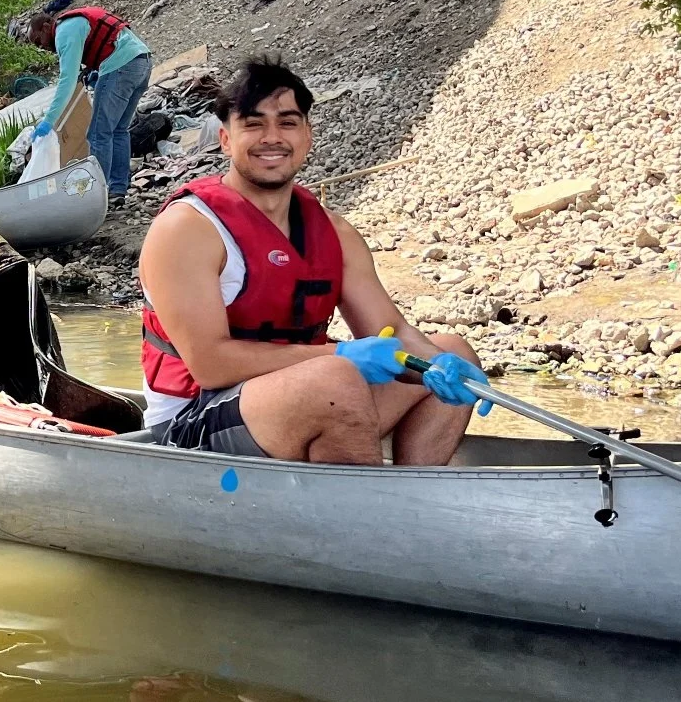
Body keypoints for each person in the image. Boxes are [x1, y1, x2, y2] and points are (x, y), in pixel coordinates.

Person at [136, 56, 490, 465]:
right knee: (334, 380)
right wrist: (337, 357)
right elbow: (210, 365)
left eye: (287, 122)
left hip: (302, 393)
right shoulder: (187, 229)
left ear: (307, 135)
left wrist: (440, 365)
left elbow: (394, 330)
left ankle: (412, 501)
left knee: (451, 351)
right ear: (225, 139)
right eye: (253, 124)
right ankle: (367, 516)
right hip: (191, 423)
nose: (272, 137)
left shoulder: (334, 233)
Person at [8, 0, 154, 206]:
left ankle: (97, 196)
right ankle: (117, 190)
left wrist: (49, 120)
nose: (41, 47)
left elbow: (66, 80)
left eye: (38, 40)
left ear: (47, 26)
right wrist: (94, 71)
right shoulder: (76, 23)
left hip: (121, 67)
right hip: (142, 62)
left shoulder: (64, 31)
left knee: (98, 133)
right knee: (119, 130)